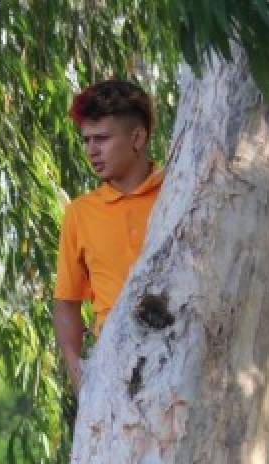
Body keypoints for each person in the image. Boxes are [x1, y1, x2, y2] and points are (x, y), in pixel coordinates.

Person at [53, 79, 163, 390]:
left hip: (184, 361)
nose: (91, 151)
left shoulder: (179, 196)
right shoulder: (80, 213)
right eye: (86, 140)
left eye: (101, 139)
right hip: (113, 371)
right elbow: (66, 302)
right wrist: (79, 377)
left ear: (137, 138)